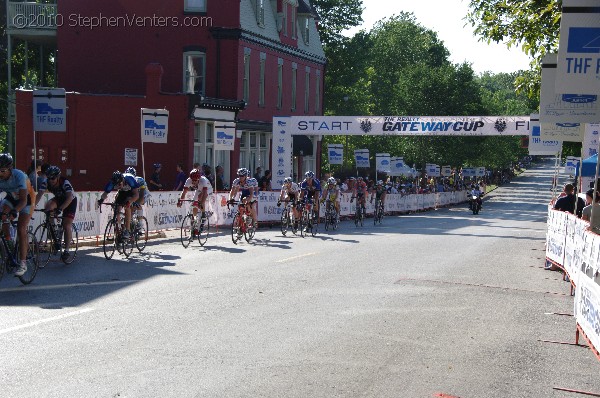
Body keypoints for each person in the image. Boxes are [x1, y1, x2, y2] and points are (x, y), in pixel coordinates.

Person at [0, 154, 34, 276]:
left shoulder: (19, 176)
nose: (0, 174)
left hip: (27, 200)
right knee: (3, 216)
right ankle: (8, 243)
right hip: (11, 198)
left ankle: (23, 263)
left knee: (21, 228)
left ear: (10, 169)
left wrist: (15, 211)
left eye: (3, 171)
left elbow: (23, 201)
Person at [38, 165, 77, 260]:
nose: (51, 180)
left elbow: (69, 198)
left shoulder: (65, 182)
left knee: (66, 225)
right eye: (49, 178)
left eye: (53, 178)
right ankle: (53, 231)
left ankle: (67, 250)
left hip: (70, 201)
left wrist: (60, 209)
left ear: (58, 177)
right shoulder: (46, 182)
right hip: (59, 198)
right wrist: (31, 207)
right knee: (48, 206)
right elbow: (38, 196)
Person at [97, 170, 140, 240]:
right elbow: (105, 193)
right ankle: (119, 229)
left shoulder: (129, 179)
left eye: (119, 184)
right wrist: (101, 200)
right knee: (116, 208)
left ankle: (127, 230)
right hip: (122, 192)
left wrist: (130, 202)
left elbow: (136, 195)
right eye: (116, 185)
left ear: (123, 180)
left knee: (127, 206)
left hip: (132, 192)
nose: (118, 186)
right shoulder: (112, 183)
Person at [177, 168, 213, 235]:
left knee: (200, 199)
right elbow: (184, 192)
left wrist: (201, 203)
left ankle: (203, 215)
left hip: (208, 189)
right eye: (192, 180)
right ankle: (195, 220)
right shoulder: (188, 180)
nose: (193, 182)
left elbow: (205, 194)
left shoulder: (203, 180)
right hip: (199, 190)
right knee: (194, 203)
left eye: (195, 180)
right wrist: (180, 201)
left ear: (198, 179)